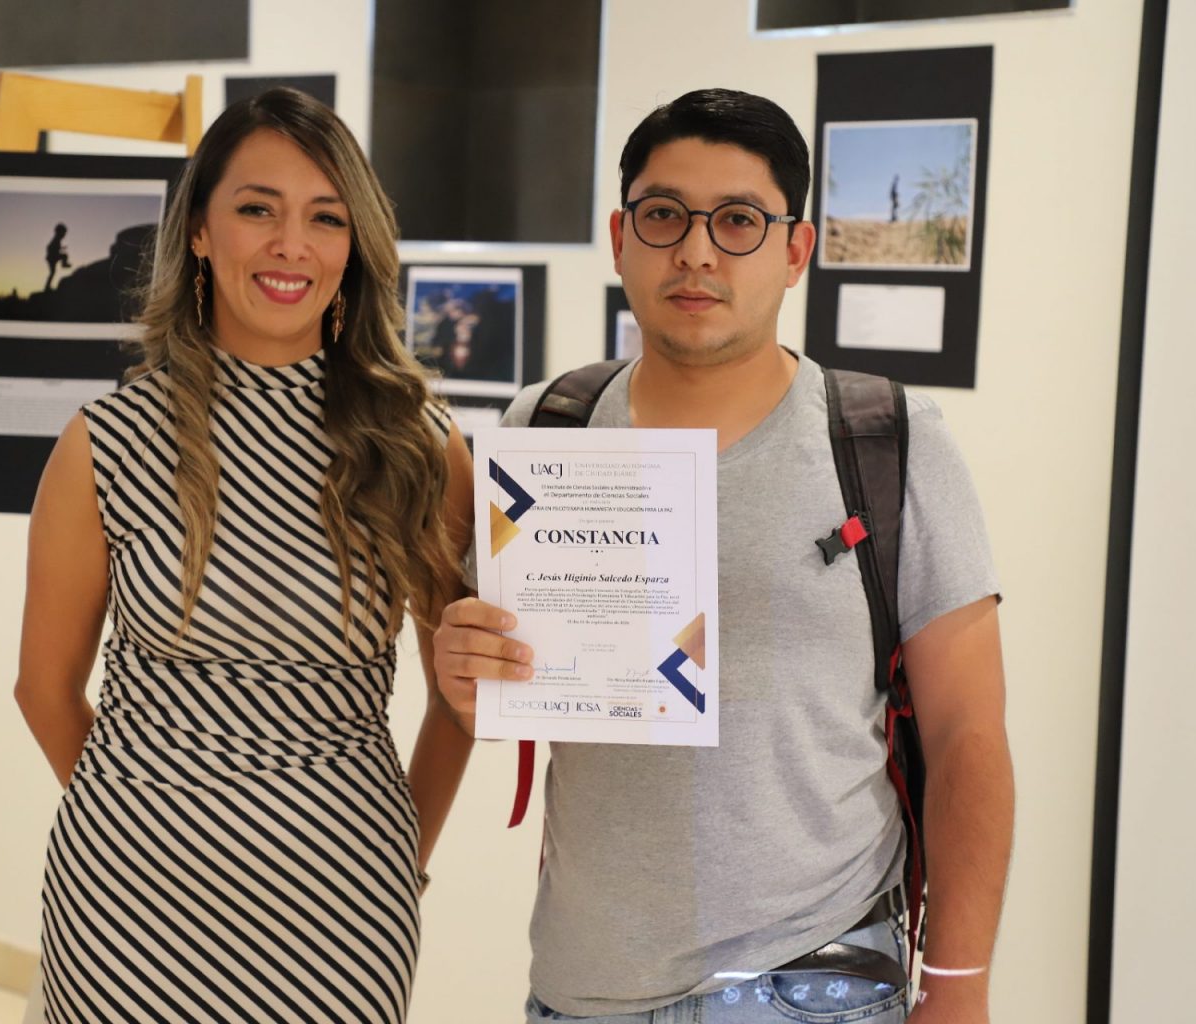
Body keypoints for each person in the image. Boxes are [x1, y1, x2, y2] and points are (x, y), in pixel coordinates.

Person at [432, 89, 1012, 1023]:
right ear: (620, 238)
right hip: (585, 988)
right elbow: (501, 693)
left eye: (738, 221)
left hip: (815, 982)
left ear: (796, 250)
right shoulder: (545, 428)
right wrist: (470, 674)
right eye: (664, 215)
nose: (697, 252)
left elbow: (967, 739)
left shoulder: (889, 440)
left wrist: (958, 989)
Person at [15, 87, 475, 1024]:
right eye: (258, 208)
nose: (290, 245)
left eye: (326, 218)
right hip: (125, 904)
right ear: (198, 230)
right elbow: (44, 689)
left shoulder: (419, 446)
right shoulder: (107, 443)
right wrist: (141, 813)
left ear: (355, 244)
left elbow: (458, 703)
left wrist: (400, 858)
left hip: (345, 906)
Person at [43, 222, 71, 292]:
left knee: (52, 272)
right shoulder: (56, 239)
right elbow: (49, 247)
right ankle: (64, 264)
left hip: (52, 257)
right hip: (52, 257)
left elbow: (53, 247)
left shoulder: (57, 240)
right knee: (64, 256)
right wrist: (53, 253)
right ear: (59, 232)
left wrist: (61, 248)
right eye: (64, 233)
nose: (64, 235)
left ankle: (47, 287)